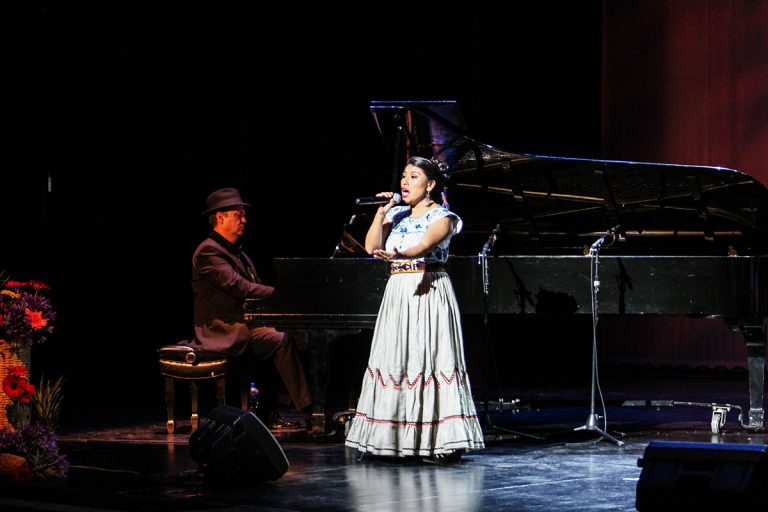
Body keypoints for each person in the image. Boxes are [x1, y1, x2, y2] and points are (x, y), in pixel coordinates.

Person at [344, 156, 485, 462]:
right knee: (396, 359)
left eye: (413, 176)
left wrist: (397, 254)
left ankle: (440, 442)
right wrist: (382, 212)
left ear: (430, 184)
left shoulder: (444, 218)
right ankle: (392, 439)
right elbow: (370, 247)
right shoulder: (396, 215)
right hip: (398, 291)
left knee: (429, 358)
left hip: (428, 288)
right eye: (404, 176)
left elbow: (421, 247)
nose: (405, 182)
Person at [188, 187, 312, 429]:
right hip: (224, 329)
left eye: (243, 215)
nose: (244, 220)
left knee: (300, 337)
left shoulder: (238, 253)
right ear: (220, 217)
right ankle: (309, 410)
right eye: (238, 215)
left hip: (246, 324)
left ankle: (271, 410)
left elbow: (253, 287)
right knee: (279, 340)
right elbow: (239, 287)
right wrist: (281, 294)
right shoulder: (208, 251)